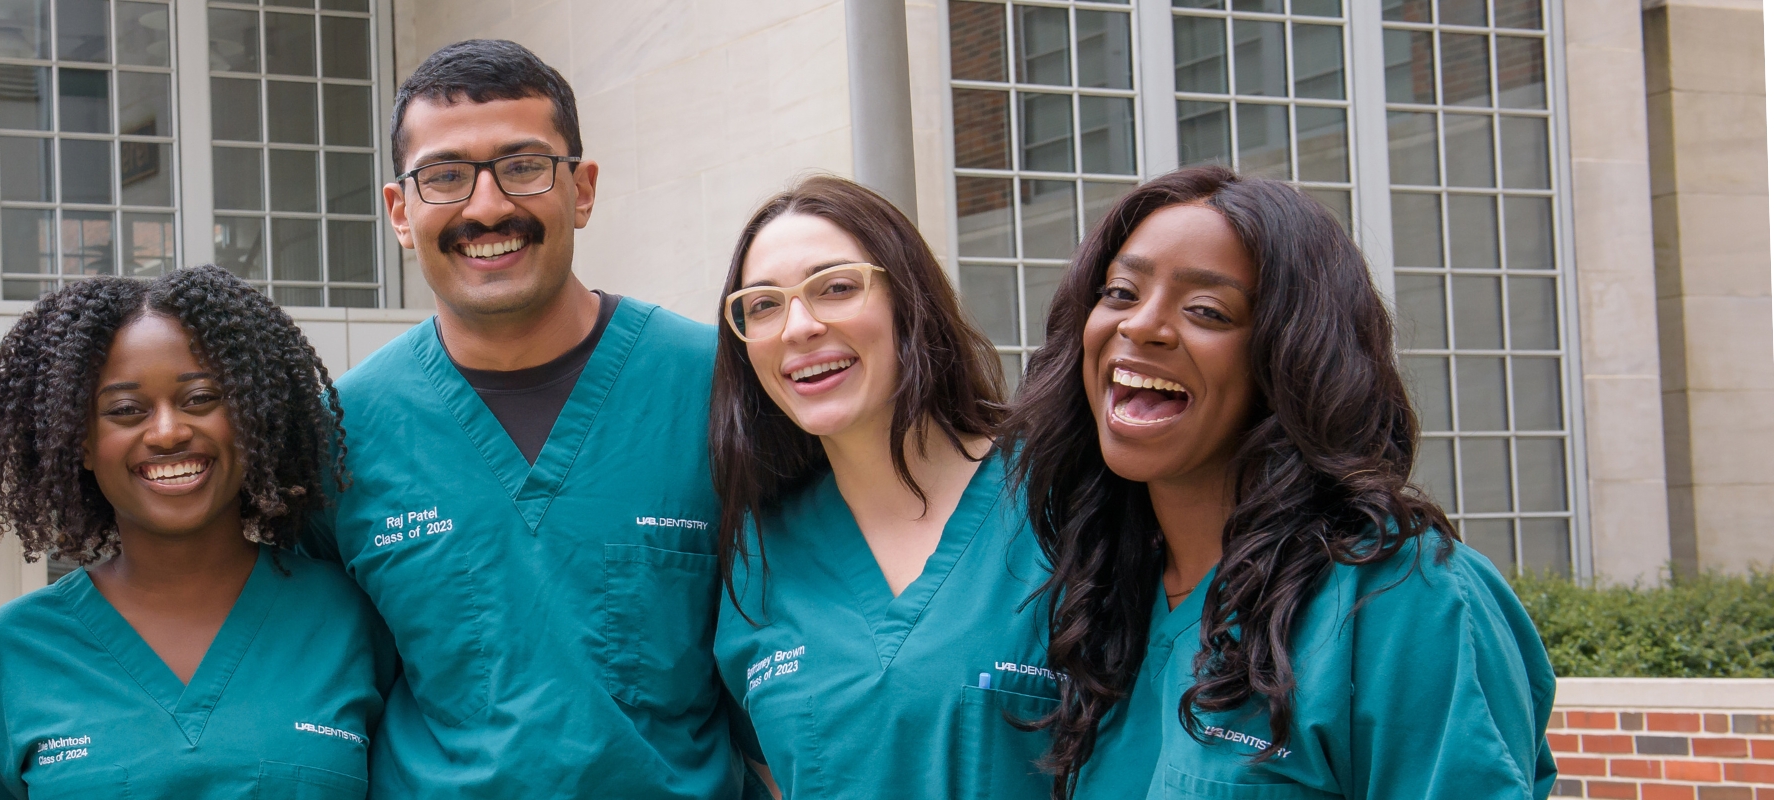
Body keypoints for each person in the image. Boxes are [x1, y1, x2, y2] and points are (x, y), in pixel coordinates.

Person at [1008, 166, 1557, 798]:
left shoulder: (1405, 598)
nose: (1141, 326)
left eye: (1207, 311)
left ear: (1292, 360)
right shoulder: (1100, 593)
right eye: (1121, 293)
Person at [308, 39, 739, 798]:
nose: (487, 207)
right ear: (399, 211)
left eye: (523, 166)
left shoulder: (719, 389)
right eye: (444, 176)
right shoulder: (339, 433)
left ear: (583, 189)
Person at [0, 266, 393, 800]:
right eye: (125, 410)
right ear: (82, 443)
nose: (168, 431)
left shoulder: (354, 619)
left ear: (251, 418)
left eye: (200, 399)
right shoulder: (17, 649)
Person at [708, 175, 1055, 798]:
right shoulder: (758, 555)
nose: (799, 326)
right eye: (762, 304)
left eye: (836, 287)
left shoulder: (1056, 501)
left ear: (909, 299)